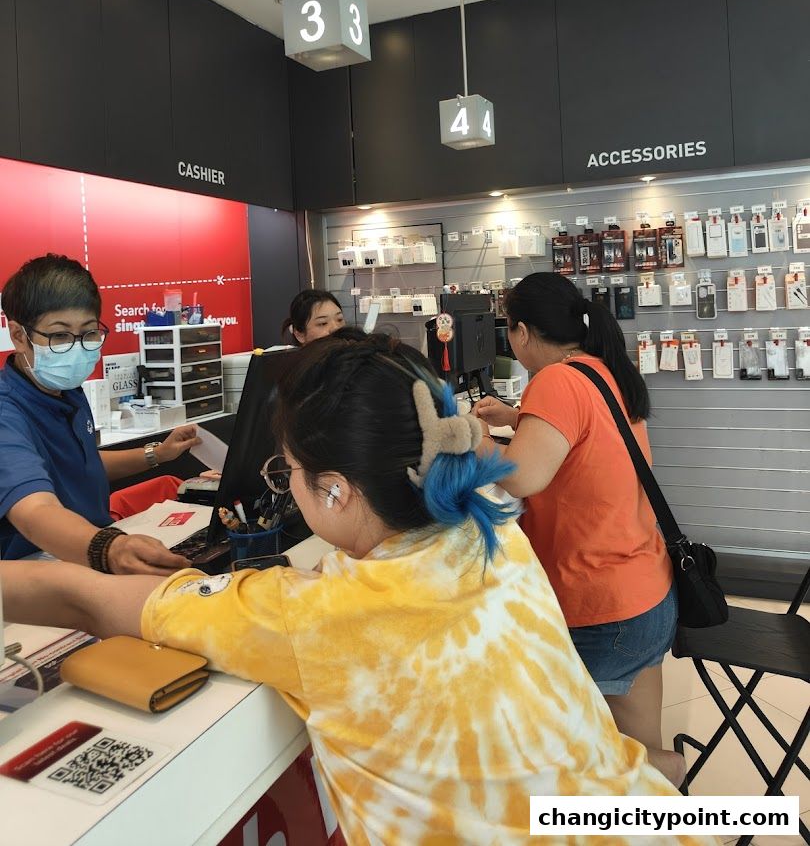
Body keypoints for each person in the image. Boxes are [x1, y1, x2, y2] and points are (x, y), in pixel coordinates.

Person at [1, 333, 716, 846]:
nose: (287, 485)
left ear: (336, 489)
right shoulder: (489, 529)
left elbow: (84, 598)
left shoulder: (317, 620)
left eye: (287, 472)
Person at [472, 272, 681, 784]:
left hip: (600, 604)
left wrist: (474, 439)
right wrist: (518, 417)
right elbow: (586, 434)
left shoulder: (555, 380)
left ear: (522, 332)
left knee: (581, 757)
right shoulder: (599, 368)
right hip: (645, 591)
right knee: (638, 754)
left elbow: (522, 476)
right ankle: (667, 792)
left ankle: (671, 779)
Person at [0, 254, 200, 573]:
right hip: (36, 569)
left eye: (89, 333)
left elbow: (82, 464)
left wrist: (158, 454)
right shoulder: (7, 412)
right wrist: (108, 548)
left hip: (92, 549)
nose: (78, 347)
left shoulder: (68, 391)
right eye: (60, 336)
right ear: (19, 336)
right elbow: (35, 510)